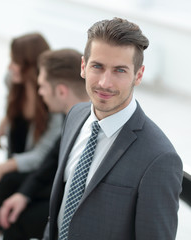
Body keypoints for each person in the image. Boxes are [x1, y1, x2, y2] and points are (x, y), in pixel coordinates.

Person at [43, 17, 183, 240]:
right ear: (83, 67)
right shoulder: (75, 115)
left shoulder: (159, 158)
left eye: (119, 71)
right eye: (97, 66)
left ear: (138, 75)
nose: (105, 83)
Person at [0, 33, 63, 240]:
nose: (10, 67)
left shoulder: (54, 104)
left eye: (15, 61)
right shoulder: (12, 80)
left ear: (31, 66)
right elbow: (12, 102)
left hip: (39, 170)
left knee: (6, 181)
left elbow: (42, 156)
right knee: (7, 185)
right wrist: (5, 121)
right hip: (17, 161)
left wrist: (0, 168)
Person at [0, 48, 89, 239]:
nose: (40, 92)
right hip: (60, 192)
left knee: (18, 220)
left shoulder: (88, 125)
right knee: (11, 190)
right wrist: (24, 195)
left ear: (61, 91)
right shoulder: (72, 117)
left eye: (43, 86)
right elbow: (51, 160)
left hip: (81, 212)